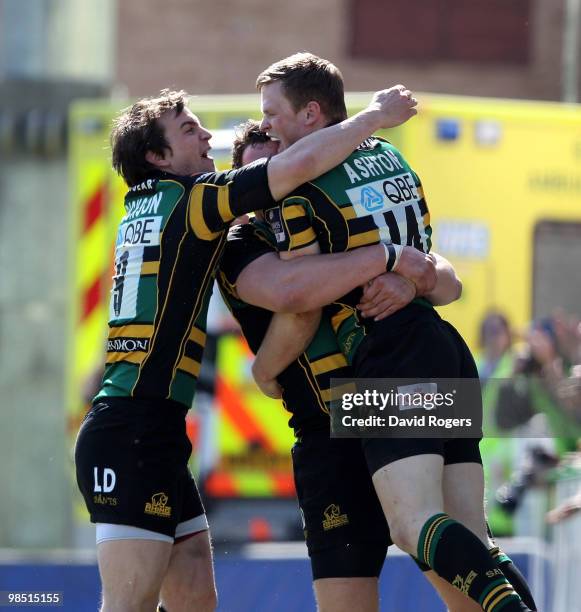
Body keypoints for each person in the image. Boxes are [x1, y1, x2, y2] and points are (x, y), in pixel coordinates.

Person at [73, 86, 419, 612]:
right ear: (157, 157)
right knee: (128, 605)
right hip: (140, 428)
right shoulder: (204, 213)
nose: (206, 134)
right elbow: (296, 300)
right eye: (189, 129)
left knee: (194, 603)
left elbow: (447, 281)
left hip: (163, 429)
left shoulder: (150, 207)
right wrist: (392, 255)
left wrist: (417, 274)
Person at [255, 53, 536, 611]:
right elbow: (433, 265)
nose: (266, 126)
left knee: (412, 527)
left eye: (272, 113)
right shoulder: (388, 156)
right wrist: (409, 278)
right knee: (471, 538)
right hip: (441, 343)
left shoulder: (299, 187)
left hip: (385, 353)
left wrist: (262, 369)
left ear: (311, 115)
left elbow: (302, 300)